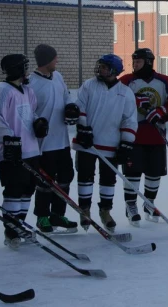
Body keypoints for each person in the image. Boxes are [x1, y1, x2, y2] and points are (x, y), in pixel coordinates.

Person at [72, 54, 137, 233]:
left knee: (108, 180)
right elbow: (80, 107)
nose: (99, 69)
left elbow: (129, 120)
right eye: (99, 66)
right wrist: (83, 129)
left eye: (104, 67)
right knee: (85, 177)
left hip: (111, 145)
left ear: (114, 70)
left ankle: (105, 211)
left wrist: (126, 143)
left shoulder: (125, 92)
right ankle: (84, 210)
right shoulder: (89, 85)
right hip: (87, 144)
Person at [0, 54, 46, 249]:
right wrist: (9, 143)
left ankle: (19, 224)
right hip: (11, 152)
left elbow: (31, 113)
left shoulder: (27, 90)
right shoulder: (0, 90)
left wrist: (38, 122)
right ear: (15, 68)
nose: (27, 69)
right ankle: (11, 231)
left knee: (28, 189)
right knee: (14, 189)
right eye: (24, 66)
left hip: (31, 150)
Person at [119, 48, 168, 226]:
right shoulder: (125, 82)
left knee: (154, 172)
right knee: (132, 173)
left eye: (138, 61)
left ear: (149, 61)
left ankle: (149, 203)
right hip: (132, 136)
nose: (134, 64)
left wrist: (162, 111)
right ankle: (131, 206)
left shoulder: (165, 82)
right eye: (133, 61)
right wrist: (133, 101)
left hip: (156, 136)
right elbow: (116, 103)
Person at [28, 44, 78, 234]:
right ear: (46, 61)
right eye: (54, 58)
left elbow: (66, 96)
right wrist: (36, 122)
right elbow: (28, 112)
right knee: (45, 182)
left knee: (65, 178)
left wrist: (70, 107)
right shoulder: (31, 83)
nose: (57, 61)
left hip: (62, 141)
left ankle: (58, 214)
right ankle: (42, 216)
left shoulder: (58, 76)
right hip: (44, 144)